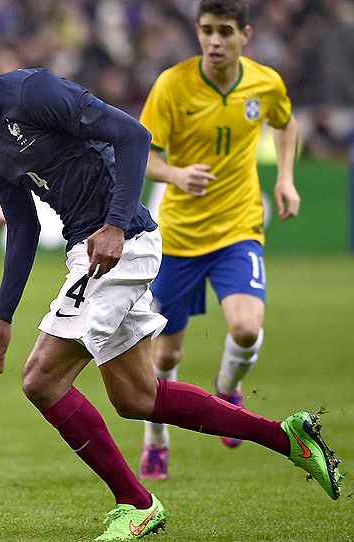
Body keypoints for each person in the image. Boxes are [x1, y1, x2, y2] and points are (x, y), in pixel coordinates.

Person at [0, 35, 341, 541]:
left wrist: (116, 224)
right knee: (136, 396)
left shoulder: (34, 91)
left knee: (41, 379)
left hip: (121, 244)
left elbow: (132, 136)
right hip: (88, 249)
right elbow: (22, 225)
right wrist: (2, 316)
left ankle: (137, 503)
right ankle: (288, 438)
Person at [137, 0, 302, 479]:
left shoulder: (264, 83)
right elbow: (144, 154)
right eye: (207, 30)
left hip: (238, 229)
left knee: (247, 328)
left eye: (225, 31)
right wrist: (176, 174)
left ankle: (227, 389)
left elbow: (285, 123)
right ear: (198, 31)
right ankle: (156, 437)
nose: (214, 40)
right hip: (179, 237)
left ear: (244, 35)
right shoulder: (172, 85)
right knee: (165, 355)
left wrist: (285, 178)